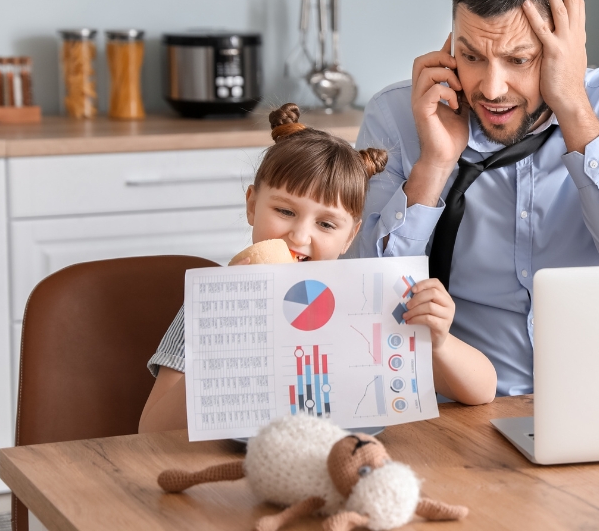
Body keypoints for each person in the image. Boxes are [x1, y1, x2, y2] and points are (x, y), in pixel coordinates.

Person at [352, 0, 599, 397]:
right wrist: (433, 165)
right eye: (472, 55)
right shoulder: (397, 117)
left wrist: (575, 111)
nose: (491, 88)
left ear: (563, 45)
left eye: (518, 59)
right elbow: (358, 309)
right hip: (456, 409)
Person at [139, 105, 496, 434]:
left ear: (350, 236)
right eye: (285, 211)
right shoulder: (214, 306)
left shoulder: (369, 305)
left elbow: (482, 391)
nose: (299, 235)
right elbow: (152, 431)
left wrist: (440, 342)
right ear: (252, 205)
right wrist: (223, 345)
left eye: (326, 224)